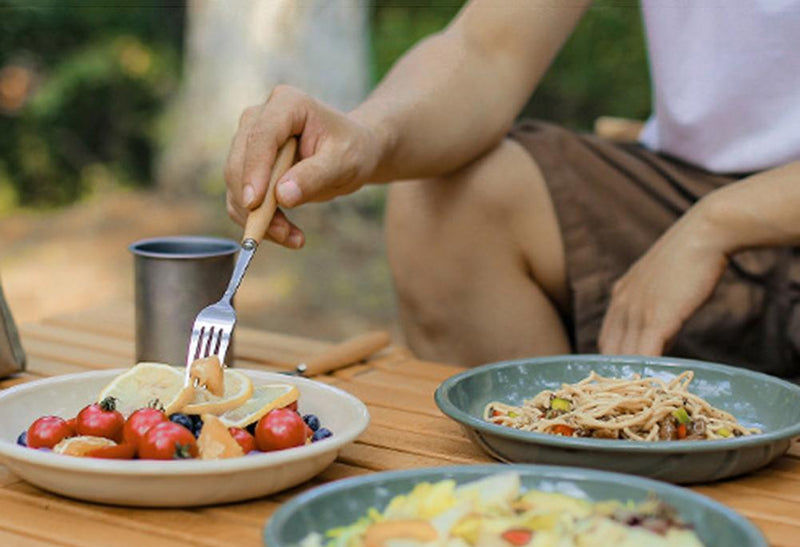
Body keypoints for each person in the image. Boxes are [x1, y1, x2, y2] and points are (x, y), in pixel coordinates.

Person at [224, 0, 800, 377]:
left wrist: (719, 224)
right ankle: (545, 516)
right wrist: (369, 135)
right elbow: (487, 48)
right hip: (684, 182)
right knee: (449, 203)